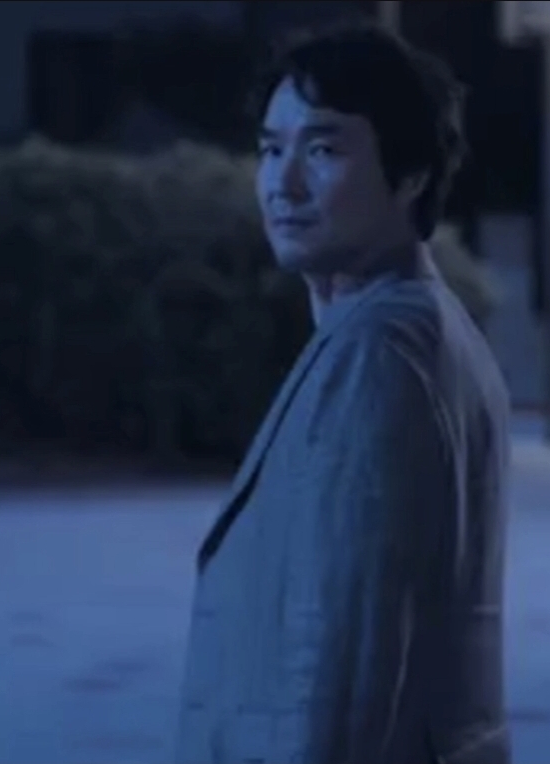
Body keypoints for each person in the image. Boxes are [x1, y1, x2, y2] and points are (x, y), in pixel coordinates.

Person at [175, 23, 512, 764]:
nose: (283, 184)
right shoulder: (421, 326)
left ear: (411, 173)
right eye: (271, 150)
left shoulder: (378, 352)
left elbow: (340, 669)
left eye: (323, 151)